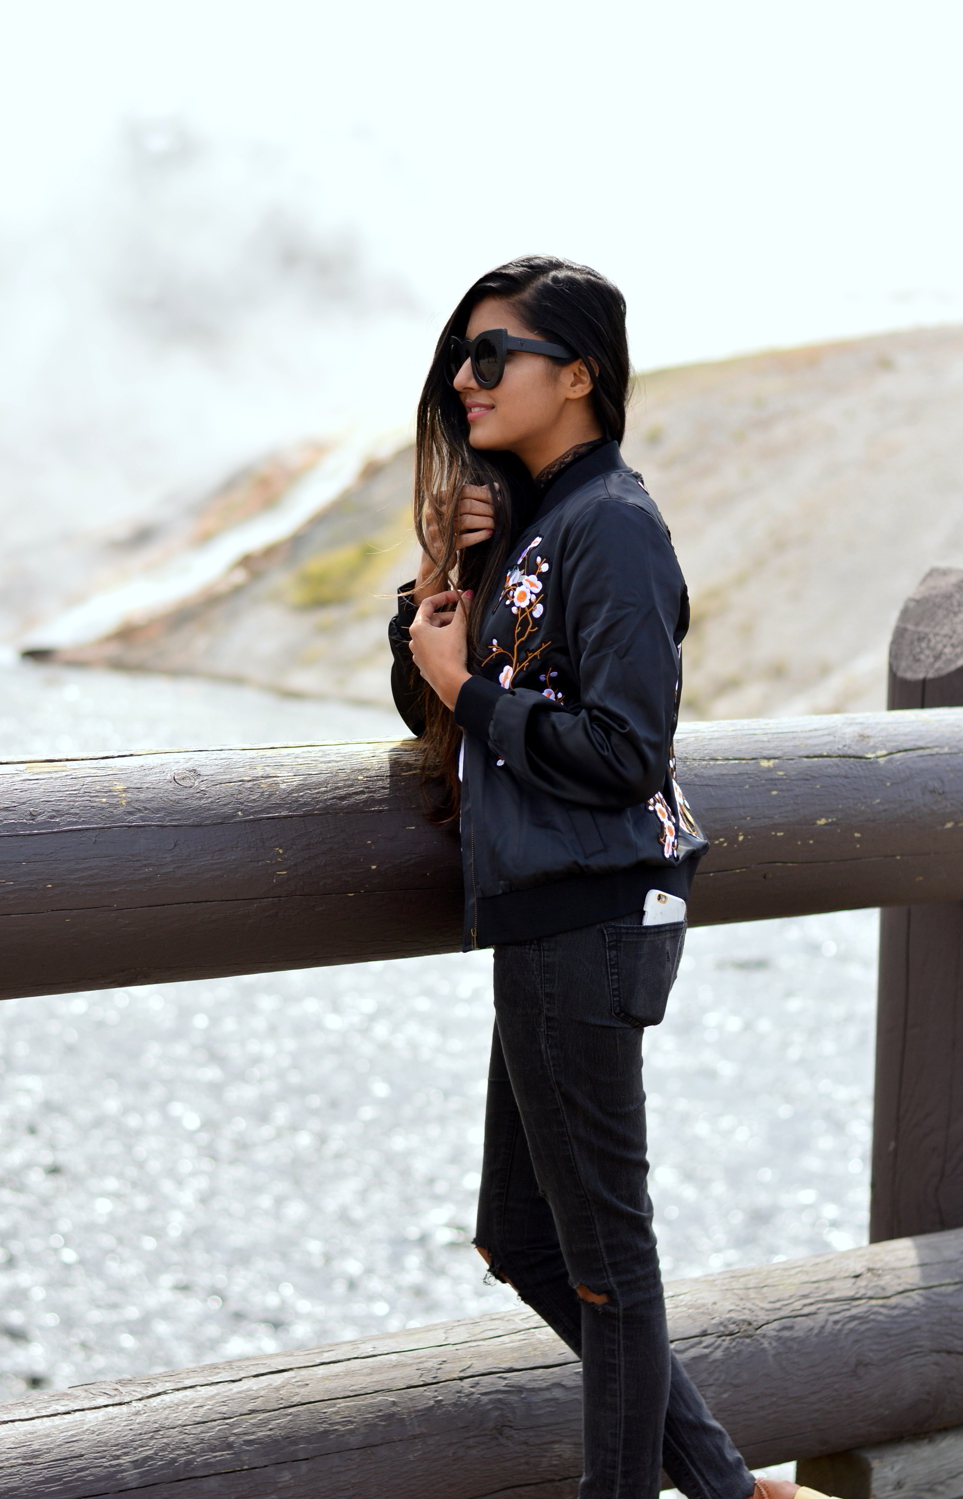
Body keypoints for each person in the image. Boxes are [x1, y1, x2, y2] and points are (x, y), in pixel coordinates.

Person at [387, 256, 830, 1499]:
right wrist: (437, 594)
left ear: (576, 373)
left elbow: (629, 747)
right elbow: (443, 704)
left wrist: (469, 686)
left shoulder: (613, 527)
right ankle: (734, 1490)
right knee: (527, 1238)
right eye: (457, 360)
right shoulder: (524, 527)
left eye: (492, 356)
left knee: (603, 1261)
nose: (464, 381)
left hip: (594, 911)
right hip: (545, 914)